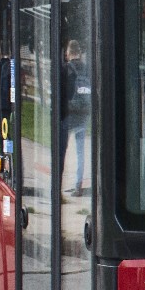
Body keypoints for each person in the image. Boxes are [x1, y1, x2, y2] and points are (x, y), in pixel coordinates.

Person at [60, 39, 90, 196]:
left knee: (62, 150)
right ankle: (78, 185)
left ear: (68, 53)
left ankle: (58, 184)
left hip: (69, 115)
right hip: (83, 114)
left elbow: (62, 93)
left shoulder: (66, 69)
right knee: (80, 151)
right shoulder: (86, 68)